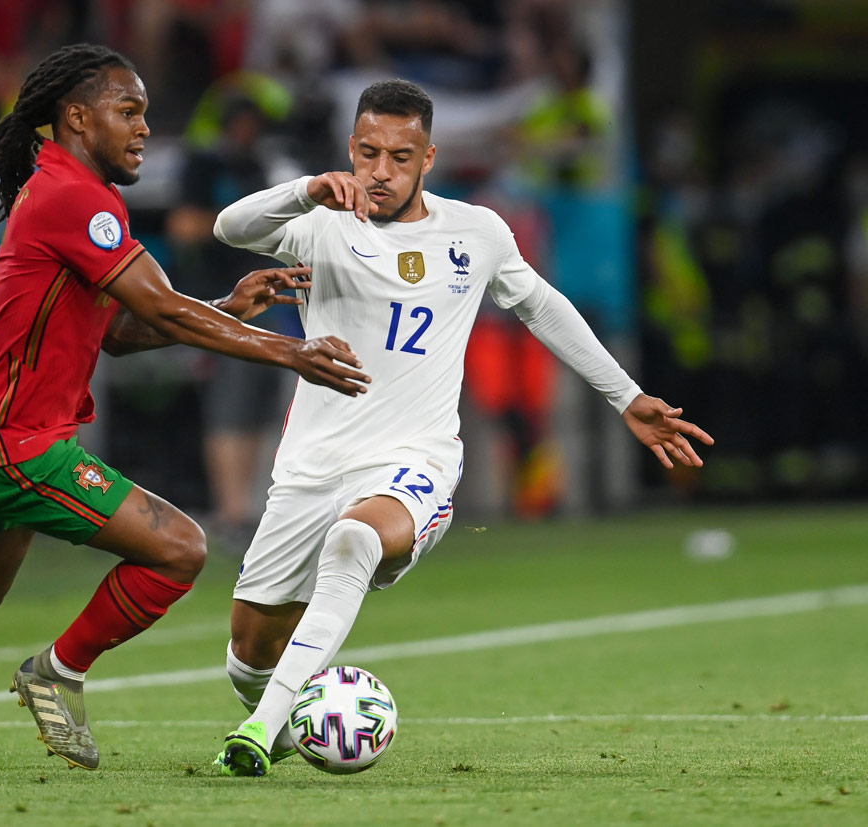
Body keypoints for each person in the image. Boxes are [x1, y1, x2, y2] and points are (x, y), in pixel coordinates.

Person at [0, 42, 370, 778]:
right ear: (77, 118)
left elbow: (114, 331)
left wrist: (222, 306)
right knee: (179, 549)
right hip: (19, 440)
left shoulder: (55, 191)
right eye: (129, 111)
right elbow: (160, 309)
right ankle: (59, 669)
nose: (144, 128)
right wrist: (290, 351)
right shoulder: (76, 197)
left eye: (145, 112)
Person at [211, 78, 714, 777]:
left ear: (429, 158)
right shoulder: (322, 219)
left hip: (414, 458)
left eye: (399, 156)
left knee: (357, 539)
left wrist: (626, 396)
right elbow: (229, 227)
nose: (380, 172)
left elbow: (543, 305)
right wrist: (306, 190)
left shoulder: (475, 232)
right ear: (350, 151)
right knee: (247, 654)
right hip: (312, 463)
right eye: (367, 153)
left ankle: (260, 731)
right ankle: (282, 710)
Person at [166, 95, 296, 548]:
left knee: (260, 409)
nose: (247, 133)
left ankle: (248, 512)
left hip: (270, 303)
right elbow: (183, 226)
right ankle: (230, 512)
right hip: (219, 303)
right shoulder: (202, 167)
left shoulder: (261, 168)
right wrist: (237, 226)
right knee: (229, 407)